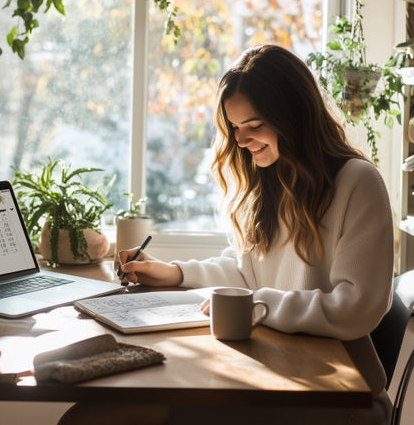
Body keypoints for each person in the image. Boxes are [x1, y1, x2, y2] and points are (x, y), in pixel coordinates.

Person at [58, 44, 394, 425]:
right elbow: (244, 272)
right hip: (274, 374)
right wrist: (176, 273)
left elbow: (356, 309)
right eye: (235, 128)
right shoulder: (270, 183)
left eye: (254, 126)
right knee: (92, 415)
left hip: (340, 398)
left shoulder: (357, 183)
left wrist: (257, 305)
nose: (240, 140)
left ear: (295, 118)